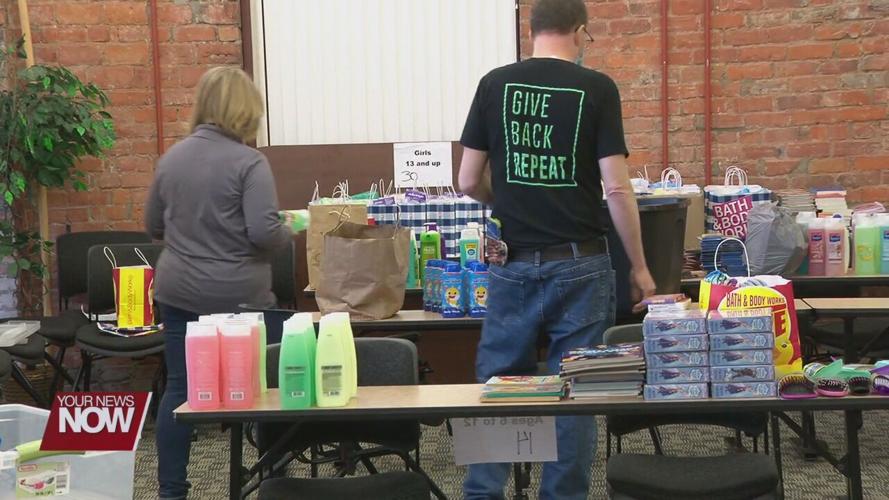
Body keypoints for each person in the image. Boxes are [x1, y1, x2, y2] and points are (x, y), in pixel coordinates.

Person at [457, 0, 656, 498]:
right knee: (577, 391)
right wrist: (641, 267)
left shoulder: (493, 84)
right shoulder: (597, 88)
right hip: (582, 263)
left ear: (533, 30)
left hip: (511, 262)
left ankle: (483, 493)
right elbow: (616, 189)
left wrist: (501, 198)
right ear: (580, 31)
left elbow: (465, 180)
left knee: (498, 388)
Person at [145, 66, 292, 500]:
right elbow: (265, 234)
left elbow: (153, 225)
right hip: (241, 299)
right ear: (247, 110)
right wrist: (288, 229)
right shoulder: (250, 162)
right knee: (264, 389)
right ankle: (272, 482)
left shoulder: (170, 159)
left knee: (180, 389)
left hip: (179, 294)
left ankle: (171, 490)